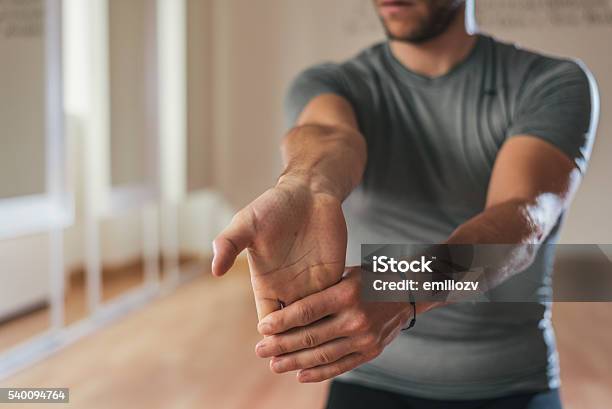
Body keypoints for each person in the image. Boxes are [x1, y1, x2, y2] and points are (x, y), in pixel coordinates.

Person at [211, 1, 598, 408]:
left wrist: (401, 286)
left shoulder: (553, 82)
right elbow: (327, 137)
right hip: (367, 376)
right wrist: (303, 186)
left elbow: (523, 218)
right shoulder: (331, 84)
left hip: (510, 382)